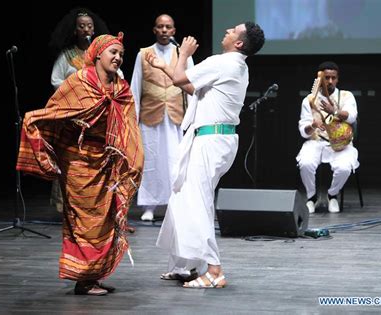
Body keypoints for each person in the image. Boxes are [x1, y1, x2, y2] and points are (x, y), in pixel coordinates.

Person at [16, 33, 144, 295]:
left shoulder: (121, 88)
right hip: (79, 162)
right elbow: (55, 112)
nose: (118, 58)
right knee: (84, 220)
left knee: (105, 220)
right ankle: (83, 279)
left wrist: (130, 157)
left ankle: (93, 276)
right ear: (98, 55)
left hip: (106, 163)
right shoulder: (79, 82)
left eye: (121, 54)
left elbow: (129, 124)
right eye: (113, 53)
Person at [146, 22, 265, 288]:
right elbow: (193, 89)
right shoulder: (236, 66)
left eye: (233, 30)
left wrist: (184, 54)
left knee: (198, 203)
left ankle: (214, 270)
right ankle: (187, 264)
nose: (227, 31)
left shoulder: (223, 62)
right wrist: (165, 66)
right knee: (182, 197)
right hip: (214, 139)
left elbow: (179, 80)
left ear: (239, 43)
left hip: (211, 140)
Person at [48, 7, 123, 212]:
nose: (86, 29)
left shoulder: (101, 55)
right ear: (75, 30)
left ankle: (97, 203)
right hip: (74, 114)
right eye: (81, 26)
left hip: (98, 115)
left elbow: (120, 77)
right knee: (71, 158)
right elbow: (56, 80)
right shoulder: (67, 55)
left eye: (89, 26)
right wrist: (75, 90)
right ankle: (68, 205)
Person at [130, 14, 194, 222]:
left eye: (168, 27)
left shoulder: (183, 54)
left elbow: (193, 87)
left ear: (174, 31)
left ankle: (173, 204)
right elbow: (135, 88)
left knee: (175, 161)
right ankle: (149, 206)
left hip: (176, 116)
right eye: (160, 27)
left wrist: (193, 119)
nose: (164, 30)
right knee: (151, 160)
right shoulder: (143, 54)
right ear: (154, 30)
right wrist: (132, 119)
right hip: (150, 115)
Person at [296, 61, 359, 214]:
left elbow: (352, 117)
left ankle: (332, 195)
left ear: (337, 79)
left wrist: (334, 111)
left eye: (333, 78)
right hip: (316, 142)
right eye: (326, 78)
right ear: (320, 79)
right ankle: (311, 197)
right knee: (305, 163)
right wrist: (313, 126)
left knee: (344, 167)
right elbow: (303, 131)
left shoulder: (346, 96)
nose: (330, 81)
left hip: (340, 143)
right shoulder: (309, 100)